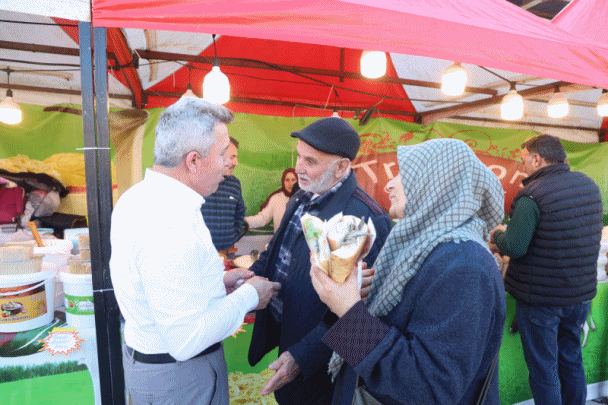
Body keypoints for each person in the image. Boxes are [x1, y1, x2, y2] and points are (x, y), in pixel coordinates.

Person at [110, 98, 281, 405]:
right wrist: (250, 295)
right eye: (222, 153)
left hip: (165, 370)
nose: (228, 164)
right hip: (180, 377)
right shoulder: (169, 223)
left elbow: (161, 289)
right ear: (193, 161)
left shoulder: (140, 197)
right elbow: (186, 339)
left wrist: (217, 285)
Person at [310, 138, 507, 405]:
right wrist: (356, 299)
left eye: (403, 174)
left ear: (435, 183)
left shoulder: (465, 265)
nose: (390, 184)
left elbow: (430, 389)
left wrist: (349, 311)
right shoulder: (423, 246)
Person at [247, 117, 392, 405]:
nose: (299, 167)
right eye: (299, 156)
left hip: (321, 365)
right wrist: (246, 281)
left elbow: (363, 310)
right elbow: (275, 252)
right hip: (287, 335)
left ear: (341, 167)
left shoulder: (365, 218)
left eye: (310, 161)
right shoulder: (301, 198)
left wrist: (303, 356)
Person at [490, 134, 603, 405]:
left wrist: (498, 234)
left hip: (542, 300)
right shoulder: (589, 185)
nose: (523, 166)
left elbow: (515, 246)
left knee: (544, 369)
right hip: (580, 297)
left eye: (524, 160)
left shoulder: (532, 194)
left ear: (537, 159)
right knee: (571, 360)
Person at [200, 136, 246, 256]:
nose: (236, 163)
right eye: (232, 157)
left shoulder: (235, 183)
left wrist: (233, 236)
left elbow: (240, 212)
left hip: (227, 255)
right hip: (201, 257)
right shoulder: (197, 182)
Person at [245, 168, 298, 233]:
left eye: (293, 180)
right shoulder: (276, 198)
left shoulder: (303, 198)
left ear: (298, 181)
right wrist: (244, 220)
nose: (290, 183)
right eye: (287, 180)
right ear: (283, 182)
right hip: (280, 239)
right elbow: (263, 218)